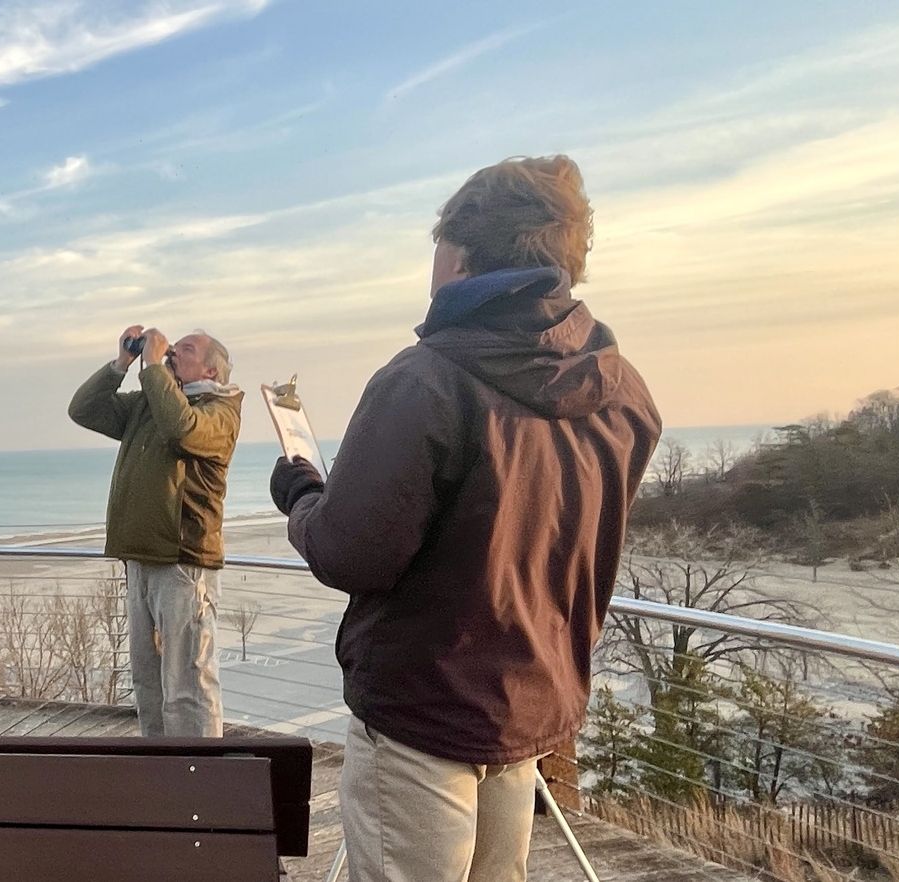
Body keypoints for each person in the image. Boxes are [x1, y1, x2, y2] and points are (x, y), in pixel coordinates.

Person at [270, 155, 660, 881]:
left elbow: (351, 554)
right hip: (530, 696)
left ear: (457, 256)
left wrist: (301, 494)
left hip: (425, 704)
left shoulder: (425, 380)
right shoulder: (621, 390)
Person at [69, 326, 242, 737]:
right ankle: (159, 762)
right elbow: (84, 410)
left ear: (212, 371)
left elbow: (182, 428)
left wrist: (152, 367)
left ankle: (201, 769)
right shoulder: (152, 402)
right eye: (174, 347)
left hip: (184, 563)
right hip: (141, 559)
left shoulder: (221, 411)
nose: (173, 351)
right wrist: (121, 364)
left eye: (187, 348)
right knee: (148, 682)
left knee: (188, 683)